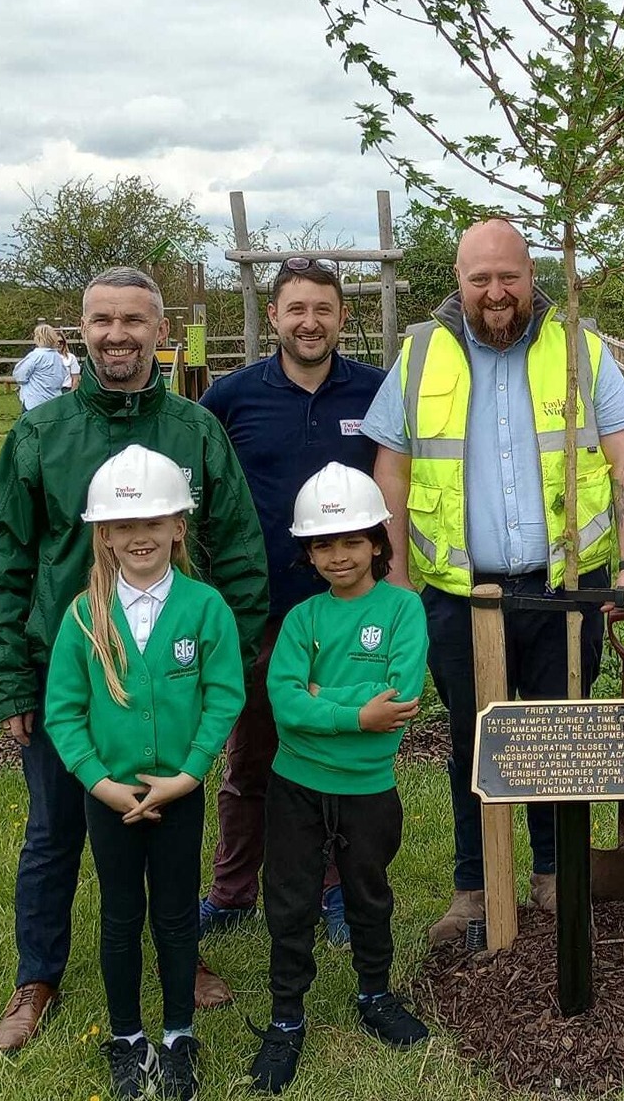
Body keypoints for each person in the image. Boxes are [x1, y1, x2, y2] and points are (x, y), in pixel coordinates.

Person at [0, 266, 269, 1053]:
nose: (117, 335)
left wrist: (225, 665)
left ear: (160, 332)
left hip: (171, 676)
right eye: (102, 320)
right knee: (54, 832)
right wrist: (11, 679)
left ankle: (181, 956)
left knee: (170, 822)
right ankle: (37, 976)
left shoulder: (195, 431)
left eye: (134, 321)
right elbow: (3, 559)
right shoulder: (41, 434)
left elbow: (240, 550)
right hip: (66, 679)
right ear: (82, 331)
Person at [362, 217, 624, 943]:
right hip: (460, 595)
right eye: (480, 278)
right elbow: (390, 471)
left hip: (565, 590)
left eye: (509, 277)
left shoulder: (579, 346)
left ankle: (553, 876)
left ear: (532, 275)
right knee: (472, 741)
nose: (496, 292)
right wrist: (395, 577)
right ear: (458, 282)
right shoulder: (419, 354)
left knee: (561, 737)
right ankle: (475, 888)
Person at [197, 257, 387, 951]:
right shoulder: (230, 399)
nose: (310, 322)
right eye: (296, 309)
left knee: (338, 757)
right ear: (273, 316)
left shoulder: (377, 393)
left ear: (342, 317)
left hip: (348, 611)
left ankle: (335, 892)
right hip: (259, 610)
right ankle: (231, 892)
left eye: (323, 309)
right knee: (251, 759)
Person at [44, 446, 245, 1101]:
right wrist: (101, 784)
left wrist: (189, 775)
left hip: (179, 795)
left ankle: (179, 1034)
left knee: (177, 917)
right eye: (124, 526)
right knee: (121, 915)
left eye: (154, 522)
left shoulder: (205, 607)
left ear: (178, 527)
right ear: (103, 535)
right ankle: (128, 1038)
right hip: (110, 799)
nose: (140, 536)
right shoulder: (84, 616)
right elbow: (63, 712)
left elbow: (224, 696)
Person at [248, 464, 430, 1094]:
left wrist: (319, 697)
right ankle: (285, 1018)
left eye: (353, 540)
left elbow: (399, 697)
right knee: (290, 898)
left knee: (368, 894)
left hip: (368, 788)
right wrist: (356, 712)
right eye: (323, 544)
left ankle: (374, 994)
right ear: (307, 552)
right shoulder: (302, 619)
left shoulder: (404, 609)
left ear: (379, 542)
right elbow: (284, 705)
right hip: (295, 786)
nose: (339, 555)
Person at [12, 323, 71, 411]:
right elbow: (63, 376)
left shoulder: (36, 356)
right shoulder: (57, 357)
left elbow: (20, 376)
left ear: (38, 338)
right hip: (54, 401)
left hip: (34, 402)